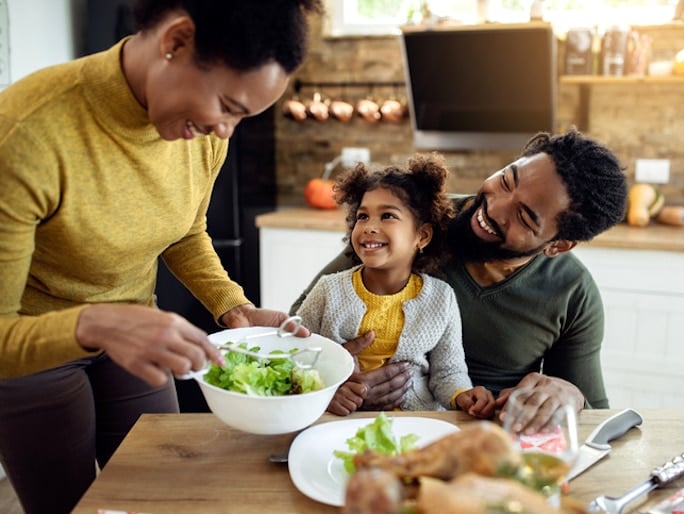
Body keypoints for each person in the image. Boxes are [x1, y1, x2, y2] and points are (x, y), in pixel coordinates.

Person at [0, 1, 322, 513]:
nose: (226, 132)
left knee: (166, 493)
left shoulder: (201, 135)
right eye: (228, 105)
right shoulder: (27, 133)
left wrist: (232, 307)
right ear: (176, 41)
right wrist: (97, 324)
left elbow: (184, 231)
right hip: (34, 348)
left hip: (132, 329)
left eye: (244, 117)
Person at [291, 129, 628, 434]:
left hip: (486, 445)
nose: (494, 208)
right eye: (507, 180)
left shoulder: (572, 292)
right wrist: (333, 378)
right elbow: (301, 325)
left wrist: (570, 395)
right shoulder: (416, 222)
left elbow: (597, 418)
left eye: (524, 217)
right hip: (359, 428)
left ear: (558, 245)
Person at [296, 154, 495, 418]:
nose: (369, 227)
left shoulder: (441, 298)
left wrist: (462, 396)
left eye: (387, 215)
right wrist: (327, 390)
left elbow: (448, 372)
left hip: (418, 421)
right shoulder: (328, 290)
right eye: (362, 216)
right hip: (341, 419)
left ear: (422, 236)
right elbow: (296, 356)